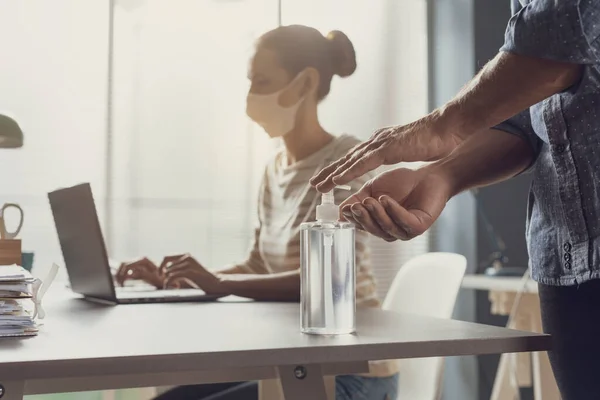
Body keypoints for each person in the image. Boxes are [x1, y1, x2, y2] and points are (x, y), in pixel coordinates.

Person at [311, 0, 600, 399]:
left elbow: (568, 32)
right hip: (566, 257)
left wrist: (441, 125)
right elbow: (528, 118)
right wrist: (438, 175)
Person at [117, 25, 399, 400]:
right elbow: (257, 266)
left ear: (304, 84)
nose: (251, 96)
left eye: (262, 81)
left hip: (351, 372)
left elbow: (328, 281)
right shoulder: (274, 168)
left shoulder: (347, 161)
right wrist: (181, 281)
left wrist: (220, 284)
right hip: (289, 361)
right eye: (250, 82)